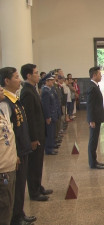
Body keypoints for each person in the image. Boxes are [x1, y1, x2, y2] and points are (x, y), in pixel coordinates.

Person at [0, 67, 36, 225]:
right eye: (16, 77)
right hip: (14, 153)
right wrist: (15, 154)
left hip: (21, 147)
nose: (19, 80)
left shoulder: (14, 99)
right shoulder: (6, 103)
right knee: (14, 189)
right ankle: (16, 217)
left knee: (19, 186)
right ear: (6, 81)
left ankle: (19, 213)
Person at [20, 64, 52, 201]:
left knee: (38, 162)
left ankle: (38, 186)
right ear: (28, 75)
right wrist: (33, 138)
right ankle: (34, 192)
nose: (39, 75)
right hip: (35, 135)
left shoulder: (32, 89)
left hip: (40, 132)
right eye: (36, 73)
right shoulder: (26, 92)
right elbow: (30, 117)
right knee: (33, 164)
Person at [0, 86, 18, 225]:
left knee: (8, 205)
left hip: (9, 166)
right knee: (4, 207)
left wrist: (14, 156)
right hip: (2, 171)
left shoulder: (2, 111)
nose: (1, 89)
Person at [87, 66, 104, 169]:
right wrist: (91, 120)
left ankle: (94, 160)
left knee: (95, 140)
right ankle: (93, 163)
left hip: (97, 117)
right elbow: (90, 105)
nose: (101, 75)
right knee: (93, 140)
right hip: (94, 119)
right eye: (99, 74)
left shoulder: (95, 86)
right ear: (94, 75)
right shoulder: (92, 87)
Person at [41, 73, 59, 155]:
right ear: (47, 81)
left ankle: (51, 146)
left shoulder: (49, 90)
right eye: (51, 81)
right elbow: (46, 106)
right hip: (50, 115)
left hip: (53, 114)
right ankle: (49, 149)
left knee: (52, 132)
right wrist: (48, 117)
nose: (53, 82)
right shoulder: (45, 91)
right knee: (49, 132)